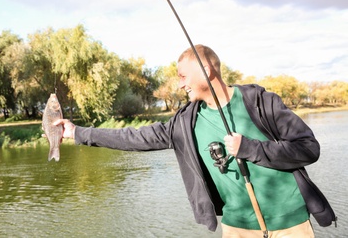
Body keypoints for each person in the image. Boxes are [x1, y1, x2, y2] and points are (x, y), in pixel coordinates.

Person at [53, 45, 336, 237]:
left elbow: (308, 148)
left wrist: (251, 148)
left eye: (183, 76)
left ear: (207, 71)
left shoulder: (261, 102)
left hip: (290, 222)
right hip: (237, 226)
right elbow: (135, 137)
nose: (179, 84)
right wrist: (78, 133)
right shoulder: (185, 122)